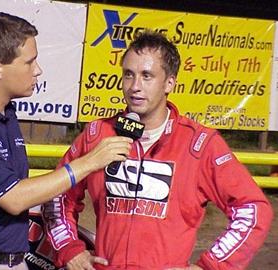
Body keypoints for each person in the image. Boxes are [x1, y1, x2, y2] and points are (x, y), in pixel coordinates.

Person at [43, 30, 273, 270]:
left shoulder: (200, 144)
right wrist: (70, 250)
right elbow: (57, 195)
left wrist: (209, 266)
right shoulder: (97, 134)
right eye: (129, 75)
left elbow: (253, 209)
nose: (135, 87)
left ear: (169, 82)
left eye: (147, 76)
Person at [0, 12, 132, 270]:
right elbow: (14, 198)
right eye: (29, 62)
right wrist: (90, 162)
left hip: (11, 260)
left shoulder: (6, 114)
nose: (38, 70)